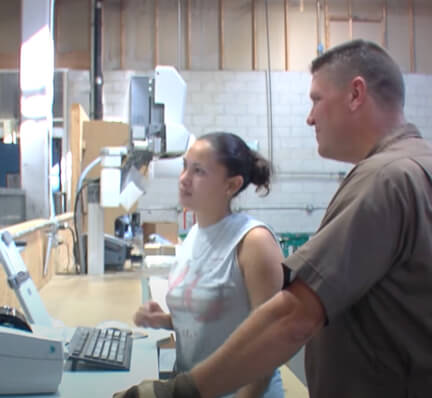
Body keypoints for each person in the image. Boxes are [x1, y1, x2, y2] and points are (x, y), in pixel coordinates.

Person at [114, 39, 432, 398]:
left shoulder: (385, 178)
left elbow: (292, 318)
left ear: (356, 94)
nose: (310, 117)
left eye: (316, 100)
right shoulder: (415, 167)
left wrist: (174, 393)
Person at [132, 132, 285, 398]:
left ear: (231, 185)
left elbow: (271, 342)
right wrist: (167, 321)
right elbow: (219, 322)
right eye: (185, 167)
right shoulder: (193, 236)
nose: (184, 179)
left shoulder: (253, 242)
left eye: (199, 171)